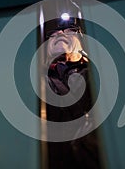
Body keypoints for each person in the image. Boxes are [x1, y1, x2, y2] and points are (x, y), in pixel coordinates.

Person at [43, 17, 102, 169]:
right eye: (53, 35)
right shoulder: (37, 81)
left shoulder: (98, 74)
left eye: (70, 32)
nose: (60, 34)